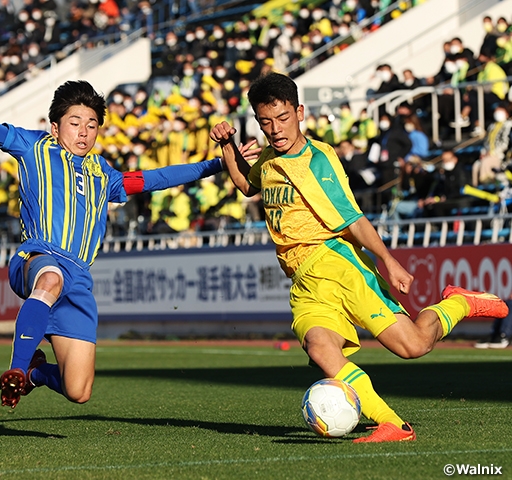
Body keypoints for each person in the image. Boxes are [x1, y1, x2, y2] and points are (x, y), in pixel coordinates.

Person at [0, 78, 242, 409]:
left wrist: (218, 164)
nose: (84, 132)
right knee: (50, 279)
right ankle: (17, 372)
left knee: (78, 390)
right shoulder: (32, 147)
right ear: (55, 126)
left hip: (79, 277)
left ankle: (35, 373)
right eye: (75, 122)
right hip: (37, 256)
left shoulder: (106, 175)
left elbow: (158, 177)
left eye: (92, 124)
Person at [209, 72, 508, 443]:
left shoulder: (317, 161)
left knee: (413, 346)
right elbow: (246, 185)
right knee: (320, 347)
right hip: (303, 280)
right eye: (266, 122)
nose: (275, 129)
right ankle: (392, 424)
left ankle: (459, 304)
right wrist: (227, 147)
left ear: (300, 112)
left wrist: (388, 259)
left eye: (283, 118)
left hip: (338, 265)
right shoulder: (269, 157)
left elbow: (353, 219)